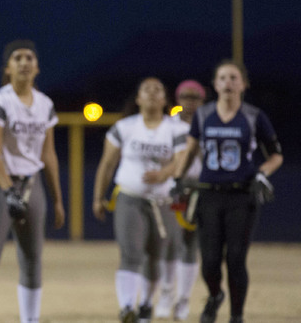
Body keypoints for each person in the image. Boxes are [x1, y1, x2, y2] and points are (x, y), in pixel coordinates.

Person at [0, 39, 65, 323]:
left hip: (32, 185)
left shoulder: (45, 104)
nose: (24, 62)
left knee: (32, 258)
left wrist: (57, 199)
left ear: (37, 67)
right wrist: (9, 191)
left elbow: (50, 155)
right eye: (17, 58)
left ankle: (30, 319)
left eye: (29, 57)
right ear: (7, 69)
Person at [174, 60, 283, 323]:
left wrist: (262, 173)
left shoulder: (254, 116)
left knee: (235, 258)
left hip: (241, 195)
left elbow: (276, 156)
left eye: (234, 78)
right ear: (214, 84)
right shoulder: (203, 115)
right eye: (222, 78)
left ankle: (236, 316)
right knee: (210, 260)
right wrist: (178, 178)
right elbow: (190, 151)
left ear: (244, 84)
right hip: (209, 194)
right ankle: (214, 296)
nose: (228, 83)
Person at [92, 77, 188, 323]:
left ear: (165, 99)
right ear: (138, 98)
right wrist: (98, 197)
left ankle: (146, 303)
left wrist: (163, 174)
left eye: (158, 90)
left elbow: (180, 159)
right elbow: (107, 164)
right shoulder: (125, 127)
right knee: (131, 252)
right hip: (130, 198)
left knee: (155, 256)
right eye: (147, 89)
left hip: (162, 201)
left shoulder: (175, 129)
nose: (153, 94)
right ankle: (126, 307)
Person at [154, 80, 206, 320]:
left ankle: (183, 300)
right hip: (173, 187)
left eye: (195, 97)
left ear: (202, 100)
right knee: (169, 242)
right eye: (185, 96)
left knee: (190, 244)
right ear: (177, 99)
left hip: (199, 188)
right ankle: (166, 293)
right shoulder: (168, 126)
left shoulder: (209, 123)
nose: (190, 101)